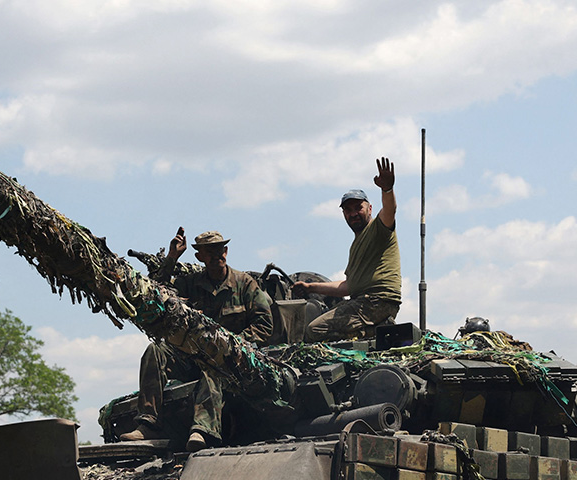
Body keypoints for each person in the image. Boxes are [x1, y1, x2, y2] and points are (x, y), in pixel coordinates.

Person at [120, 228, 274, 451]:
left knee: (214, 365)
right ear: (199, 256)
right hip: (191, 356)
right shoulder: (190, 284)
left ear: (226, 251)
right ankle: (149, 423)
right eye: (209, 252)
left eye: (219, 250)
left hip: (231, 362)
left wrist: (232, 344)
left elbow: (264, 325)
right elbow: (154, 295)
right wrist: (172, 258)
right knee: (156, 350)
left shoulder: (244, 284)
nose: (216, 255)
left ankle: (202, 430)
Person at [293, 157, 401, 342]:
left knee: (315, 329)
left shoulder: (378, 229)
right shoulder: (356, 244)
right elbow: (348, 287)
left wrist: (387, 189)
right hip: (365, 302)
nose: (353, 214)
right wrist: (310, 287)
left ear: (370, 208)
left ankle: (374, 332)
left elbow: (390, 210)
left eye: (358, 208)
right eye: (348, 210)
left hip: (376, 302)